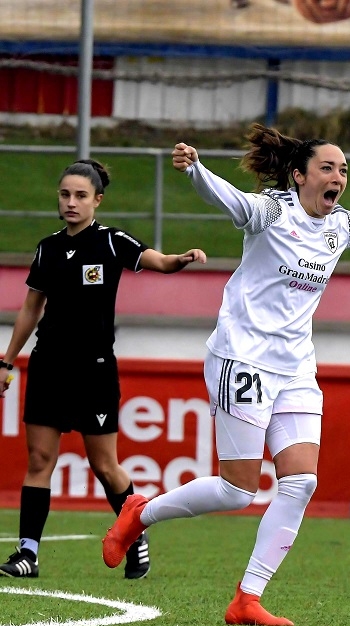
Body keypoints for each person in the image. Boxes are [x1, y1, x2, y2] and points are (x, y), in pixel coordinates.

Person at [102, 123, 350, 624]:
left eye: (344, 170)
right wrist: (197, 169)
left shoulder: (343, 226)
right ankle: (140, 512)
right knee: (238, 490)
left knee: (301, 482)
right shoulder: (271, 212)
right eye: (328, 168)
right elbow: (231, 201)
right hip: (242, 358)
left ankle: (248, 598)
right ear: (298, 176)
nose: (339, 177)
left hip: (296, 369)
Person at [0, 158, 206, 580]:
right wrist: (7, 360)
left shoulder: (111, 242)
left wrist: (181, 258)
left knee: (105, 466)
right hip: (47, 367)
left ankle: (135, 533)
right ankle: (27, 554)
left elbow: (159, 262)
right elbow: (30, 309)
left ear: (98, 200)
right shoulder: (48, 248)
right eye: (65, 194)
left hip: (93, 371)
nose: (71, 202)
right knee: (39, 459)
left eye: (80, 195)